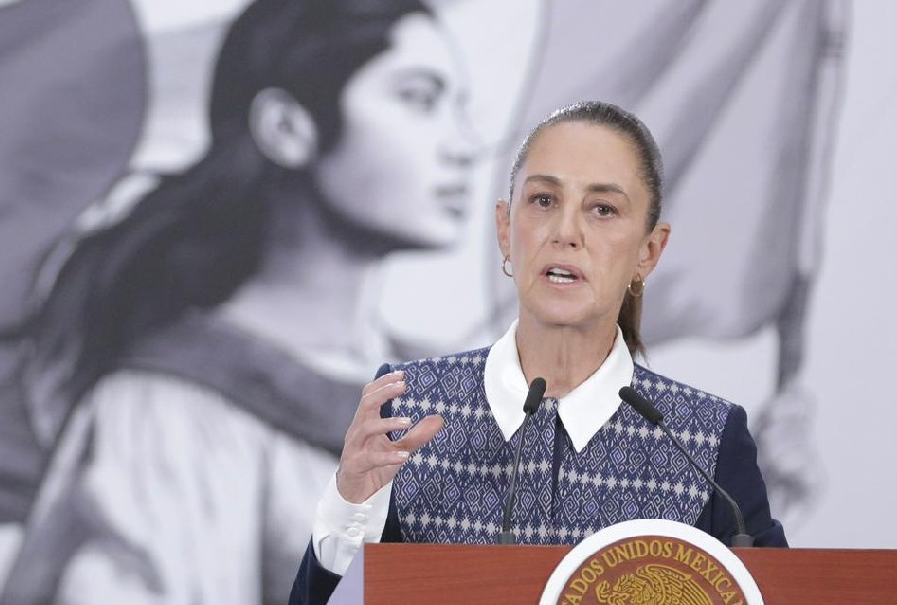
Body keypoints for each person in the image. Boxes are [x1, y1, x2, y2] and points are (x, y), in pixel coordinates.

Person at [0, 0, 478, 604]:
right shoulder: (168, 413)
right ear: (287, 128)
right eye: (418, 99)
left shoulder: (460, 392)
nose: (466, 145)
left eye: (460, 106)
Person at [289, 101, 787, 604]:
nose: (566, 233)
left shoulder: (703, 442)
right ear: (506, 230)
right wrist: (351, 505)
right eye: (544, 201)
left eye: (603, 209)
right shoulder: (409, 407)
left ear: (648, 252)